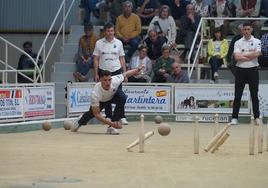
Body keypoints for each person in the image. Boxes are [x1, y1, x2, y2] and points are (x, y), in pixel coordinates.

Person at [71, 67, 144, 134]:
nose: (108, 83)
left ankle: (111, 128)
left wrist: (137, 69)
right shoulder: (95, 93)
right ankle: (79, 122)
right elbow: (97, 115)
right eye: (105, 80)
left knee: (122, 97)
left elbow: (126, 74)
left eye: (109, 80)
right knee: (91, 114)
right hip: (102, 100)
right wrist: (112, 123)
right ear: (100, 80)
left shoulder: (115, 80)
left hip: (113, 96)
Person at [93, 22, 128, 125]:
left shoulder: (119, 43)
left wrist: (125, 73)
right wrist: (96, 73)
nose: (110, 33)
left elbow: (122, 58)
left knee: (120, 95)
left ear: (114, 31)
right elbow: (96, 59)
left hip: (116, 71)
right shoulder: (99, 43)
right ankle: (108, 116)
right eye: (108, 31)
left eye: (112, 31)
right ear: (105, 31)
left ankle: (121, 116)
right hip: (103, 71)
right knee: (106, 95)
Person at [228, 22, 262, 125]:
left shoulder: (257, 41)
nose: (246, 31)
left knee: (254, 95)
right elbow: (237, 57)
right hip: (240, 70)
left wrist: (243, 55)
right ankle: (234, 118)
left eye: (248, 29)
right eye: (245, 29)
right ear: (242, 30)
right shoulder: (238, 42)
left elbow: (258, 53)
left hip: (253, 70)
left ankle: (257, 117)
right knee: (237, 95)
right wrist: (250, 56)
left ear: (251, 30)